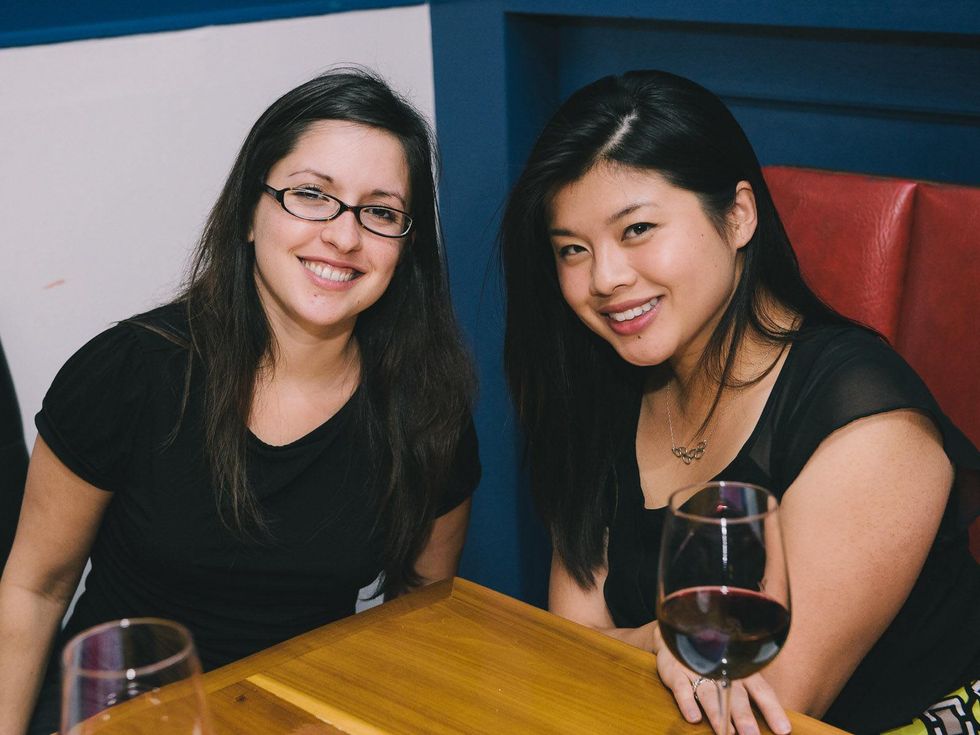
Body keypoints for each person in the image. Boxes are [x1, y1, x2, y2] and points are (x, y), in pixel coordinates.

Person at [0, 67, 480, 735]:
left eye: (380, 211)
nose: (344, 236)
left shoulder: (428, 403)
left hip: (299, 715)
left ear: (407, 247)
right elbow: (35, 587)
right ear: (249, 214)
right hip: (127, 712)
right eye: (312, 194)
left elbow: (421, 605)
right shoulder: (129, 371)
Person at [500, 69, 979, 735]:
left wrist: (642, 643)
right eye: (572, 249)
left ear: (739, 214)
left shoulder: (869, 425)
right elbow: (570, 645)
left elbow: (768, 701)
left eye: (636, 229)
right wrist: (664, 646)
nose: (604, 278)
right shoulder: (605, 386)